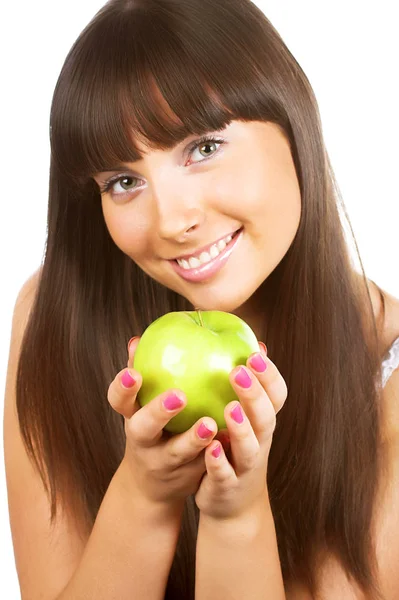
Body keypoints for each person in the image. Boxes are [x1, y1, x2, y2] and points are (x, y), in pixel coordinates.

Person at [4, 0, 399, 598]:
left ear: (295, 121)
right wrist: (145, 493)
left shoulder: (388, 377)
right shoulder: (56, 314)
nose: (171, 221)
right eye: (124, 181)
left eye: (204, 147)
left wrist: (234, 516)